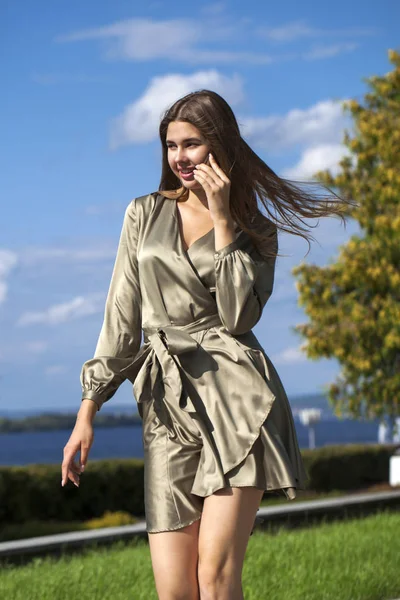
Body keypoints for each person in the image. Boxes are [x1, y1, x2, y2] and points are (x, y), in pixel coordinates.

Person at [61, 90, 354, 599]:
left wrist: (223, 221)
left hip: (240, 404)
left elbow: (239, 317)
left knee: (216, 580)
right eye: (172, 145)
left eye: (192, 144)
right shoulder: (143, 214)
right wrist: (88, 409)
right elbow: (122, 317)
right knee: (175, 591)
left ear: (219, 145)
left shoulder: (255, 229)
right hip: (166, 409)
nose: (180, 157)